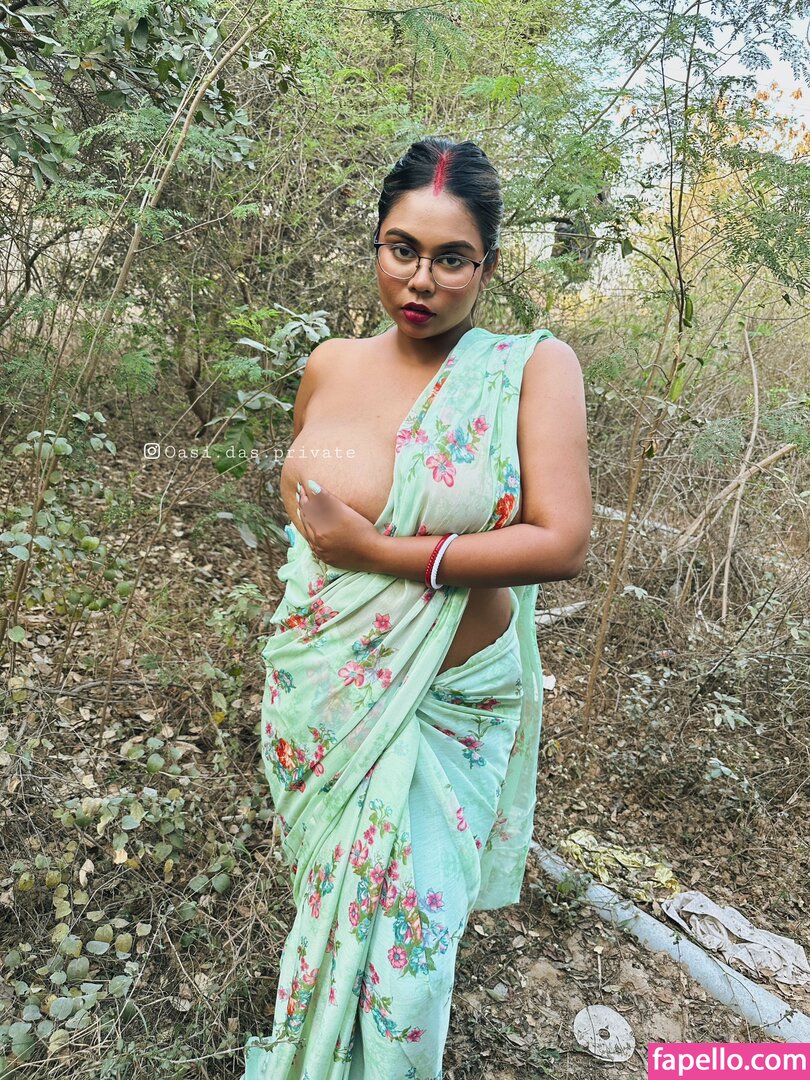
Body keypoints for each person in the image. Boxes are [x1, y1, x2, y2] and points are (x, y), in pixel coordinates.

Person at [243, 136, 591, 1079]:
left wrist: (382, 554)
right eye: (402, 249)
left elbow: (562, 540)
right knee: (330, 919)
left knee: (406, 978)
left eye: (451, 258)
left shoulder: (529, 368)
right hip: (324, 691)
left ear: (488, 266)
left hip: (446, 709)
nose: (422, 280)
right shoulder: (330, 364)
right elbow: (307, 513)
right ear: (377, 244)